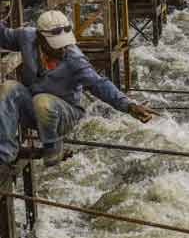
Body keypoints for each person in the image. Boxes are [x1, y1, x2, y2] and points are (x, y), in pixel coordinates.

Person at [0, 10, 153, 167]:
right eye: (56, 45)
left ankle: (53, 148)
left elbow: (99, 84)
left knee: (42, 101)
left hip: (64, 114)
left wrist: (129, 106)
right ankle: (6, 153)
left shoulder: (74, 58)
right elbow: (3, 36)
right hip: (34, 109)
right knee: (8, 88)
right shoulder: (26, 36)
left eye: (64, 44)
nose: (61, 50)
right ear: (40, 38)